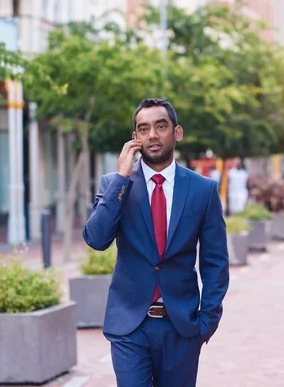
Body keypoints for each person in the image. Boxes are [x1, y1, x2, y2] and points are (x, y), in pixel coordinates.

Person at [83, 98, 230, 387]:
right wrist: (122, 179)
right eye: (143, 128)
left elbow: (215, 262)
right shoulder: (115, 185)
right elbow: (97, 239)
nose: (152, 134)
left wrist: (206, 323)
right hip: (129, 325)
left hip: (182, 327)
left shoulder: (203, 190)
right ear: (134, 138)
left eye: (160, 126)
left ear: (177, 133)